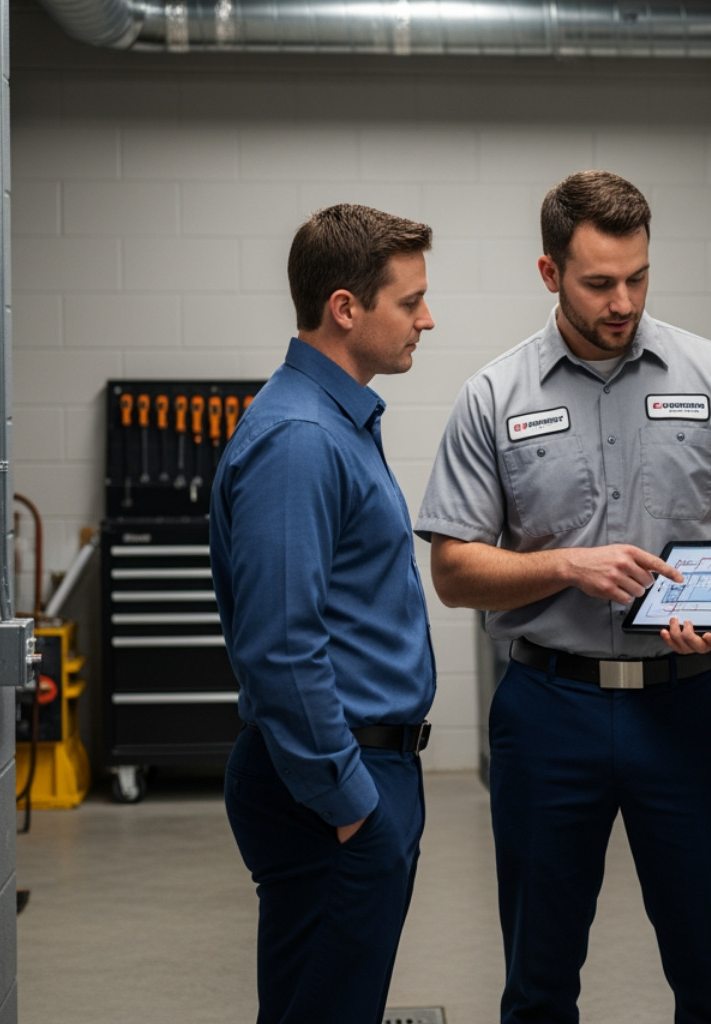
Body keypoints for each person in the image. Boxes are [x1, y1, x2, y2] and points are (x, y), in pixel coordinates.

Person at [416, 170, 711, 1024]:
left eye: (637, 277)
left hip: (688, 705)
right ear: (550, 274)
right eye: (599, 283)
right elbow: (452, 572)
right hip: (549, 708)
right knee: (540, 979)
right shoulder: (495, 396)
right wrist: (567, 567)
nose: (622, 300)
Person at [209, 204, 438, 1024]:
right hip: (332, 782)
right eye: (409, 302)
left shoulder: (338, 423)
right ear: (346, 308)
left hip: (359, 771)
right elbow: (280, 645)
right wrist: (346, 802)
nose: (427, 318)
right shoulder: (302, 440)